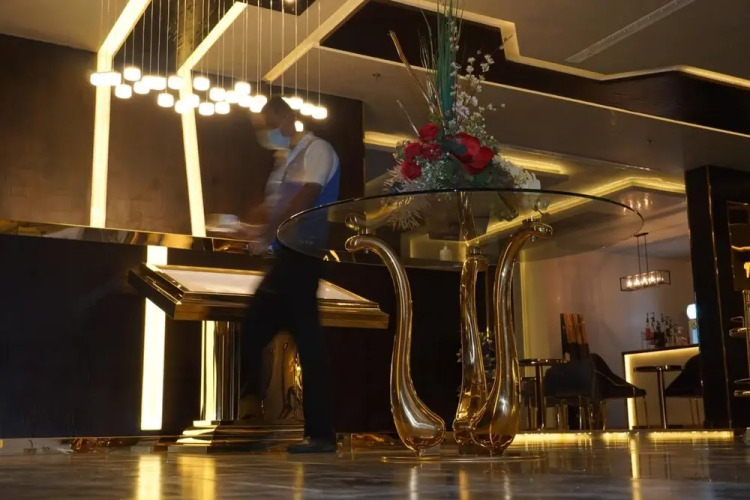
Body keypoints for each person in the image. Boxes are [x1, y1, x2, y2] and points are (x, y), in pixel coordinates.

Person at [238, 96, 340, 454]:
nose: (266, 132)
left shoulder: (317, 150)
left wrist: (266, 233)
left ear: (287, 117)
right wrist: (250, 229)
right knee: (263, 332)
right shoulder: (285, 161)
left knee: (305, 344)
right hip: (285, 259)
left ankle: (318, 433)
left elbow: (305, 199)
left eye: (269, 124)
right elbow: (273, 207)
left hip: (303, 259)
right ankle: (263, 418)